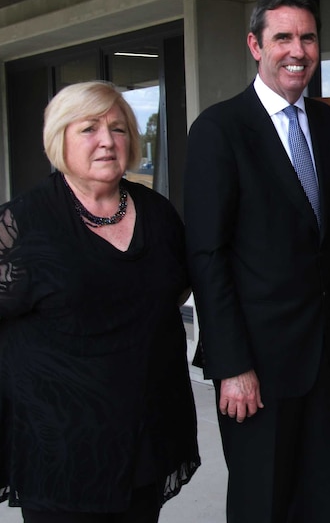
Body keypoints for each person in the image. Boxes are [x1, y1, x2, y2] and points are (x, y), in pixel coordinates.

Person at [184, 0, 330, 523]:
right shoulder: (220, 130)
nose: (298, 50)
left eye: (308, 37)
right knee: (262, 503)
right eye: (283, 37)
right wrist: (232, 365)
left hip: (325, 356)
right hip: (256, 367)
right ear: (255, 45)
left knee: (320, 501)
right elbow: (207, 256)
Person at [0, 81, 200, 522]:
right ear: (59, 141)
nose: (107, 140)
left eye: (118, 128)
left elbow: (174, 290)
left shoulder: (159, 213)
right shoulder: (22, 224)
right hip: (62, 451)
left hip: (144, 438)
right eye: (88, 128)